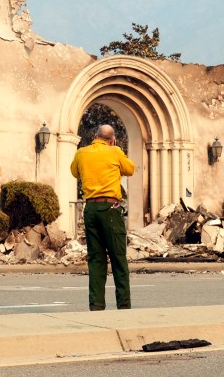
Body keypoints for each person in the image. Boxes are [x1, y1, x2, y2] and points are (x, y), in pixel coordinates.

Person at [70, 124, 136, 310]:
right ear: (112, 139)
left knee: (96, 258)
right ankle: (123, 304)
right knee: (118, 258)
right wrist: (116, 150)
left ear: (95, 136)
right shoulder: (114, 151)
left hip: (90, 208)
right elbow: (130, 169)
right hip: (110, 208)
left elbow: (75, 172)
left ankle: (96, 304)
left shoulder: (82, 153)